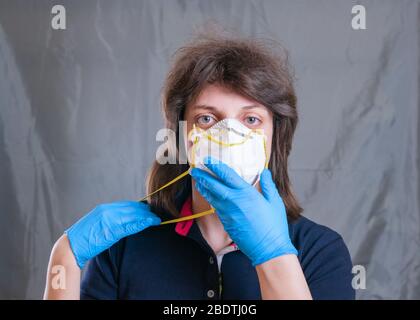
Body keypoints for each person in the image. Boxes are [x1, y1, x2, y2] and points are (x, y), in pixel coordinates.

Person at [43, 34, 355, 300]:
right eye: (207, 118)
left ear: (276, 136)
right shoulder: (122, 248)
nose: (230, 134)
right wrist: (64, 258)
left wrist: (274, 254)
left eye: (251, 119)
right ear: (181, 136)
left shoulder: (319, 251)